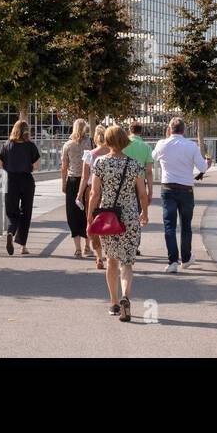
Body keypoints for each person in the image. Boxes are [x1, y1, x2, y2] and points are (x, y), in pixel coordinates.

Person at [88, 124, 149, 322]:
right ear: (124, 140)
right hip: (130, 217)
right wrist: (144, 213)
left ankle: (114, 303)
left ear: (107, 140)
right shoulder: (134, 164)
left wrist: (90, 216)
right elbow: (141, 194)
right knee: (128, 262)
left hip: (108, 218)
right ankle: (126, 297)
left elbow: (95, 193)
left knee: (111, 261)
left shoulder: (100, 163)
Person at [152, 117, 209, 273]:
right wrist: (207, 163)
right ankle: (186, 258)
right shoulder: (191, 146)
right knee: (186, 226)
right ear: (184, 130)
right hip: (186, 189)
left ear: (170, 129)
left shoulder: (162, 144)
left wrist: (165, 140)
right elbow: (202, 167)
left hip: (168, 188)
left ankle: (172, 261)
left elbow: (153, 157)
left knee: (169, 225)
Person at [0, 120, 41, 256]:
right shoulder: (30, 146)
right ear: (27, 131)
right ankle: (23, 246)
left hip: (11, 181)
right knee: (26, 213)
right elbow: (37, 165)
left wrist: (10, 167)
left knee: (12, 212)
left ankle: (10, 231)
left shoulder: (7, 145)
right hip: (26, 180)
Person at [78, 126, 112, 268]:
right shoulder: (112, 154)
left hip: (92, 190)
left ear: (96, 138)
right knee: (110, 221)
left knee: (92, 222)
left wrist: (79, 195)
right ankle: (110, 254)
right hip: (110, 191)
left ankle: (98, 256)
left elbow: (85, 178)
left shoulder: (90, 155)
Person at [61, 119, 93, 258]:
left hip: (73, 181)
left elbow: (64, 166)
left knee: (73, 213)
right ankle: (87, 246)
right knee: (88, 212)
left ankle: (77, 248)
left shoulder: (67, 145)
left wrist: (63, 183)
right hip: (88, 181)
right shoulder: (90, 143)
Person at [123, 122, 154, 255]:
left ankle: (123, 243)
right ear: (141, 132)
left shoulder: (124, 144)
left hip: (124, 182)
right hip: (140, 183)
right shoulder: (146, 147)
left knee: (123, 212)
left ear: (130, 130)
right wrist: (150, 191)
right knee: (138, 213)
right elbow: (148, 171)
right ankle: (135, 245)